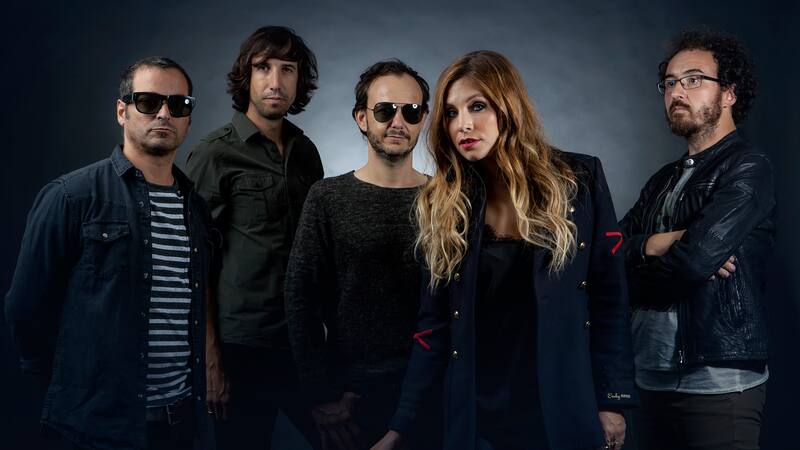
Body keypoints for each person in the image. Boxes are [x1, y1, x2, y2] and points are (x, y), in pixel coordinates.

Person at [372, 50, 637, 450]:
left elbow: (610, 299)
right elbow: (433, 328)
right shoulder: (444, 204)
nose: (463, 124)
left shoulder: (577, 179)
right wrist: (401, 426)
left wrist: (613, 400)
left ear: (508, 107)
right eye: (451, 113)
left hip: (559, 405)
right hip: (477, 414)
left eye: (477, 106)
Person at [5, 56, 213, 449]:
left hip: (182, 423)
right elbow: (25, 309)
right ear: (122, 111)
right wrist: (71, 388)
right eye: (148, 102)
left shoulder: (196, 208)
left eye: (178, 104)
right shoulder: (71, 196)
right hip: (97, 427)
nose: (164, 114)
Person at [618, 28, 774, 450]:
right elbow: (605, 249)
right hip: (647, 376)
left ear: (729, 93)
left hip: (718, 382)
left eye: (693, 80)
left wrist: (632, 274)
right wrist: (655, 244)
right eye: (669, 83)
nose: (677, 92)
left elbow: (690, 265)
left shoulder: (748, 167)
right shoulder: (662, 180)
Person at [285, 60, 440, 450]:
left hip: (432, 390)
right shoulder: (328, 198)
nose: (398, 122)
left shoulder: (446, 200)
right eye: (385, 111)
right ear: (361, 118)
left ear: (423, 119)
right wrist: (320, 394)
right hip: (353, 397)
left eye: (411, 111)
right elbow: (300, 299)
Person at [185, 26, 324, 449]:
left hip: (301, 343)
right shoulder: (215, 153)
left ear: (299, 80)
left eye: (288, 69)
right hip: (240, 347)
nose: (275, 81)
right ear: (247, 75)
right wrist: (211, 360)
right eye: (264, 67)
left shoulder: (306, 152)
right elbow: (194, 264)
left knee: (345, 438)